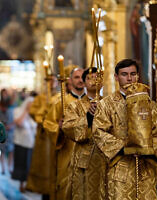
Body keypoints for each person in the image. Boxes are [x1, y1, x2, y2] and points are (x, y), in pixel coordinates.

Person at [92, 59, 157, 199]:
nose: (129, 78)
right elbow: (98, 131)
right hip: (121, 168)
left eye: (133, 74)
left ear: (138, 76)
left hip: (144, 169)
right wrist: (125, 147)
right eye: (124, 74)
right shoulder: (106, 104)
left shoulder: (148, 103)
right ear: (116, 77)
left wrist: (147, 148)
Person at [62, 67, 106, 200]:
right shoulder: (75, 106)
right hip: (85, 160)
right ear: (84, 82)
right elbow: (68, 128)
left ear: (102, 81)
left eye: (96, 77)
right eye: (89, 77)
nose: (93, 80)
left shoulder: (110, 104)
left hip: (107, 159)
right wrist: (88, 118)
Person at [42, 67, 85, 199]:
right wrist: (59, 127)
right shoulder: (61, 102)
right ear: (70, 80)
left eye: (82, 77)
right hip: (66, 152)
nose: (80, 80)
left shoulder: (93, 102)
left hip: (86, 154)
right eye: (76, 77)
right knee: (64, 187)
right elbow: (48, 123)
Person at [26, 75, 59, 199]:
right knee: (44, 164)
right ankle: (44, 190)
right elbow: (33, 112)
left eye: (54, 81)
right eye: (49, 81)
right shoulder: (41, 97)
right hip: (43, 137)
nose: (51, 83)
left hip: (56, 136)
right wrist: (43, 114)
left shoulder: (60, 97)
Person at [11, 96, 36, 192]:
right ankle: (22, 185)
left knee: (29, 166)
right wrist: (26, 111)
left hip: (31, 144)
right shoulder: (18, 110)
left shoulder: (33, 116)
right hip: (20, 143)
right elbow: (19, 123)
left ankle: (29, 185)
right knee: (22, 165)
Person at [0, 88, 15, 174]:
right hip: (2, 131)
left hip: (10, 131)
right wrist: (1, 126)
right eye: (3, 94)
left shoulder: (11, 104)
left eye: (6, 94)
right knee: (2, 150)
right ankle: (3, 168)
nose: (4, 95)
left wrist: (11, 125)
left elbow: (15, 117)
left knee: (10, 150)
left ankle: (9, 167)